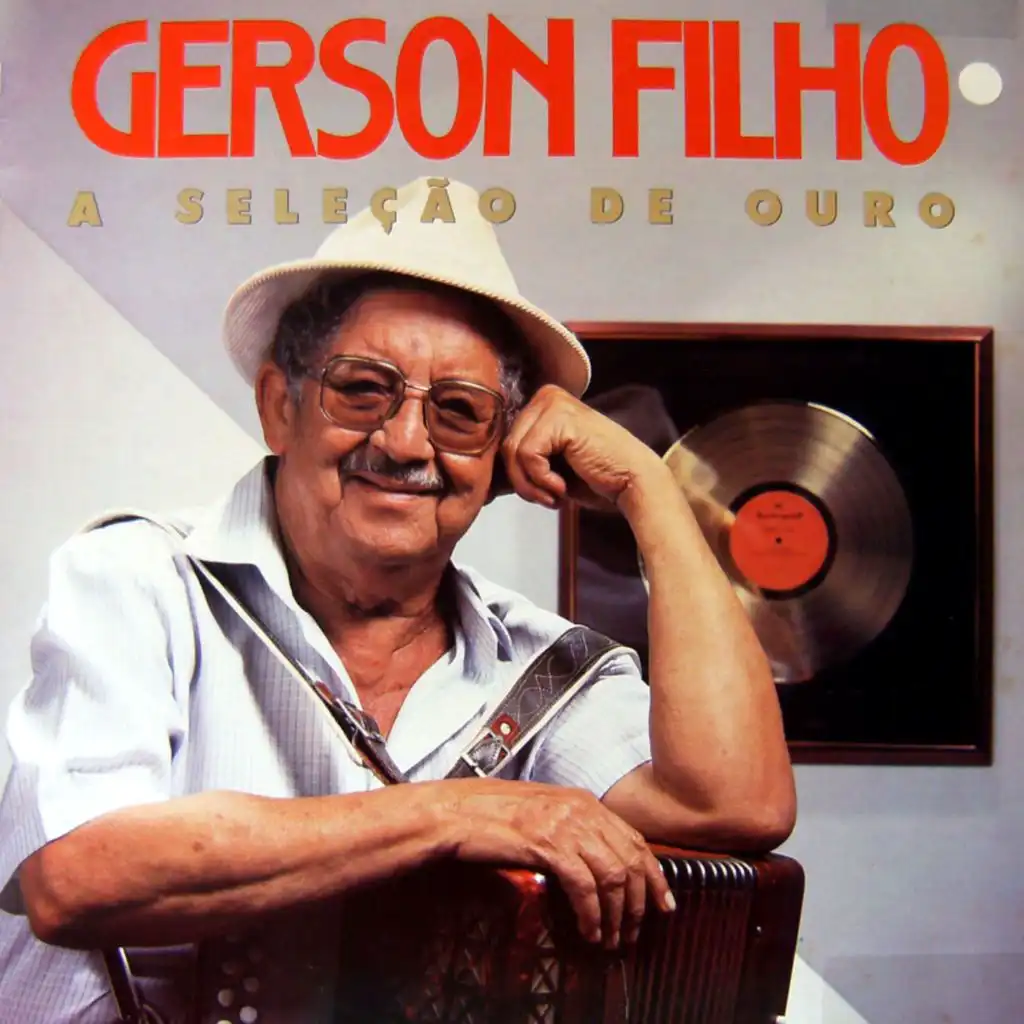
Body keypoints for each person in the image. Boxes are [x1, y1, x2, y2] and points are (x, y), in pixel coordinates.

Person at [0, 178, 796, 1023]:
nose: (407, 442)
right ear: (279, 406)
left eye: (460, 412)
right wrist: (454, 814)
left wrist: (650, 491)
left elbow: (735, 807)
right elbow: (75, 874)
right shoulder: (140, 576)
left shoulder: (539, 672)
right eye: (362, 390)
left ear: (499, 453)